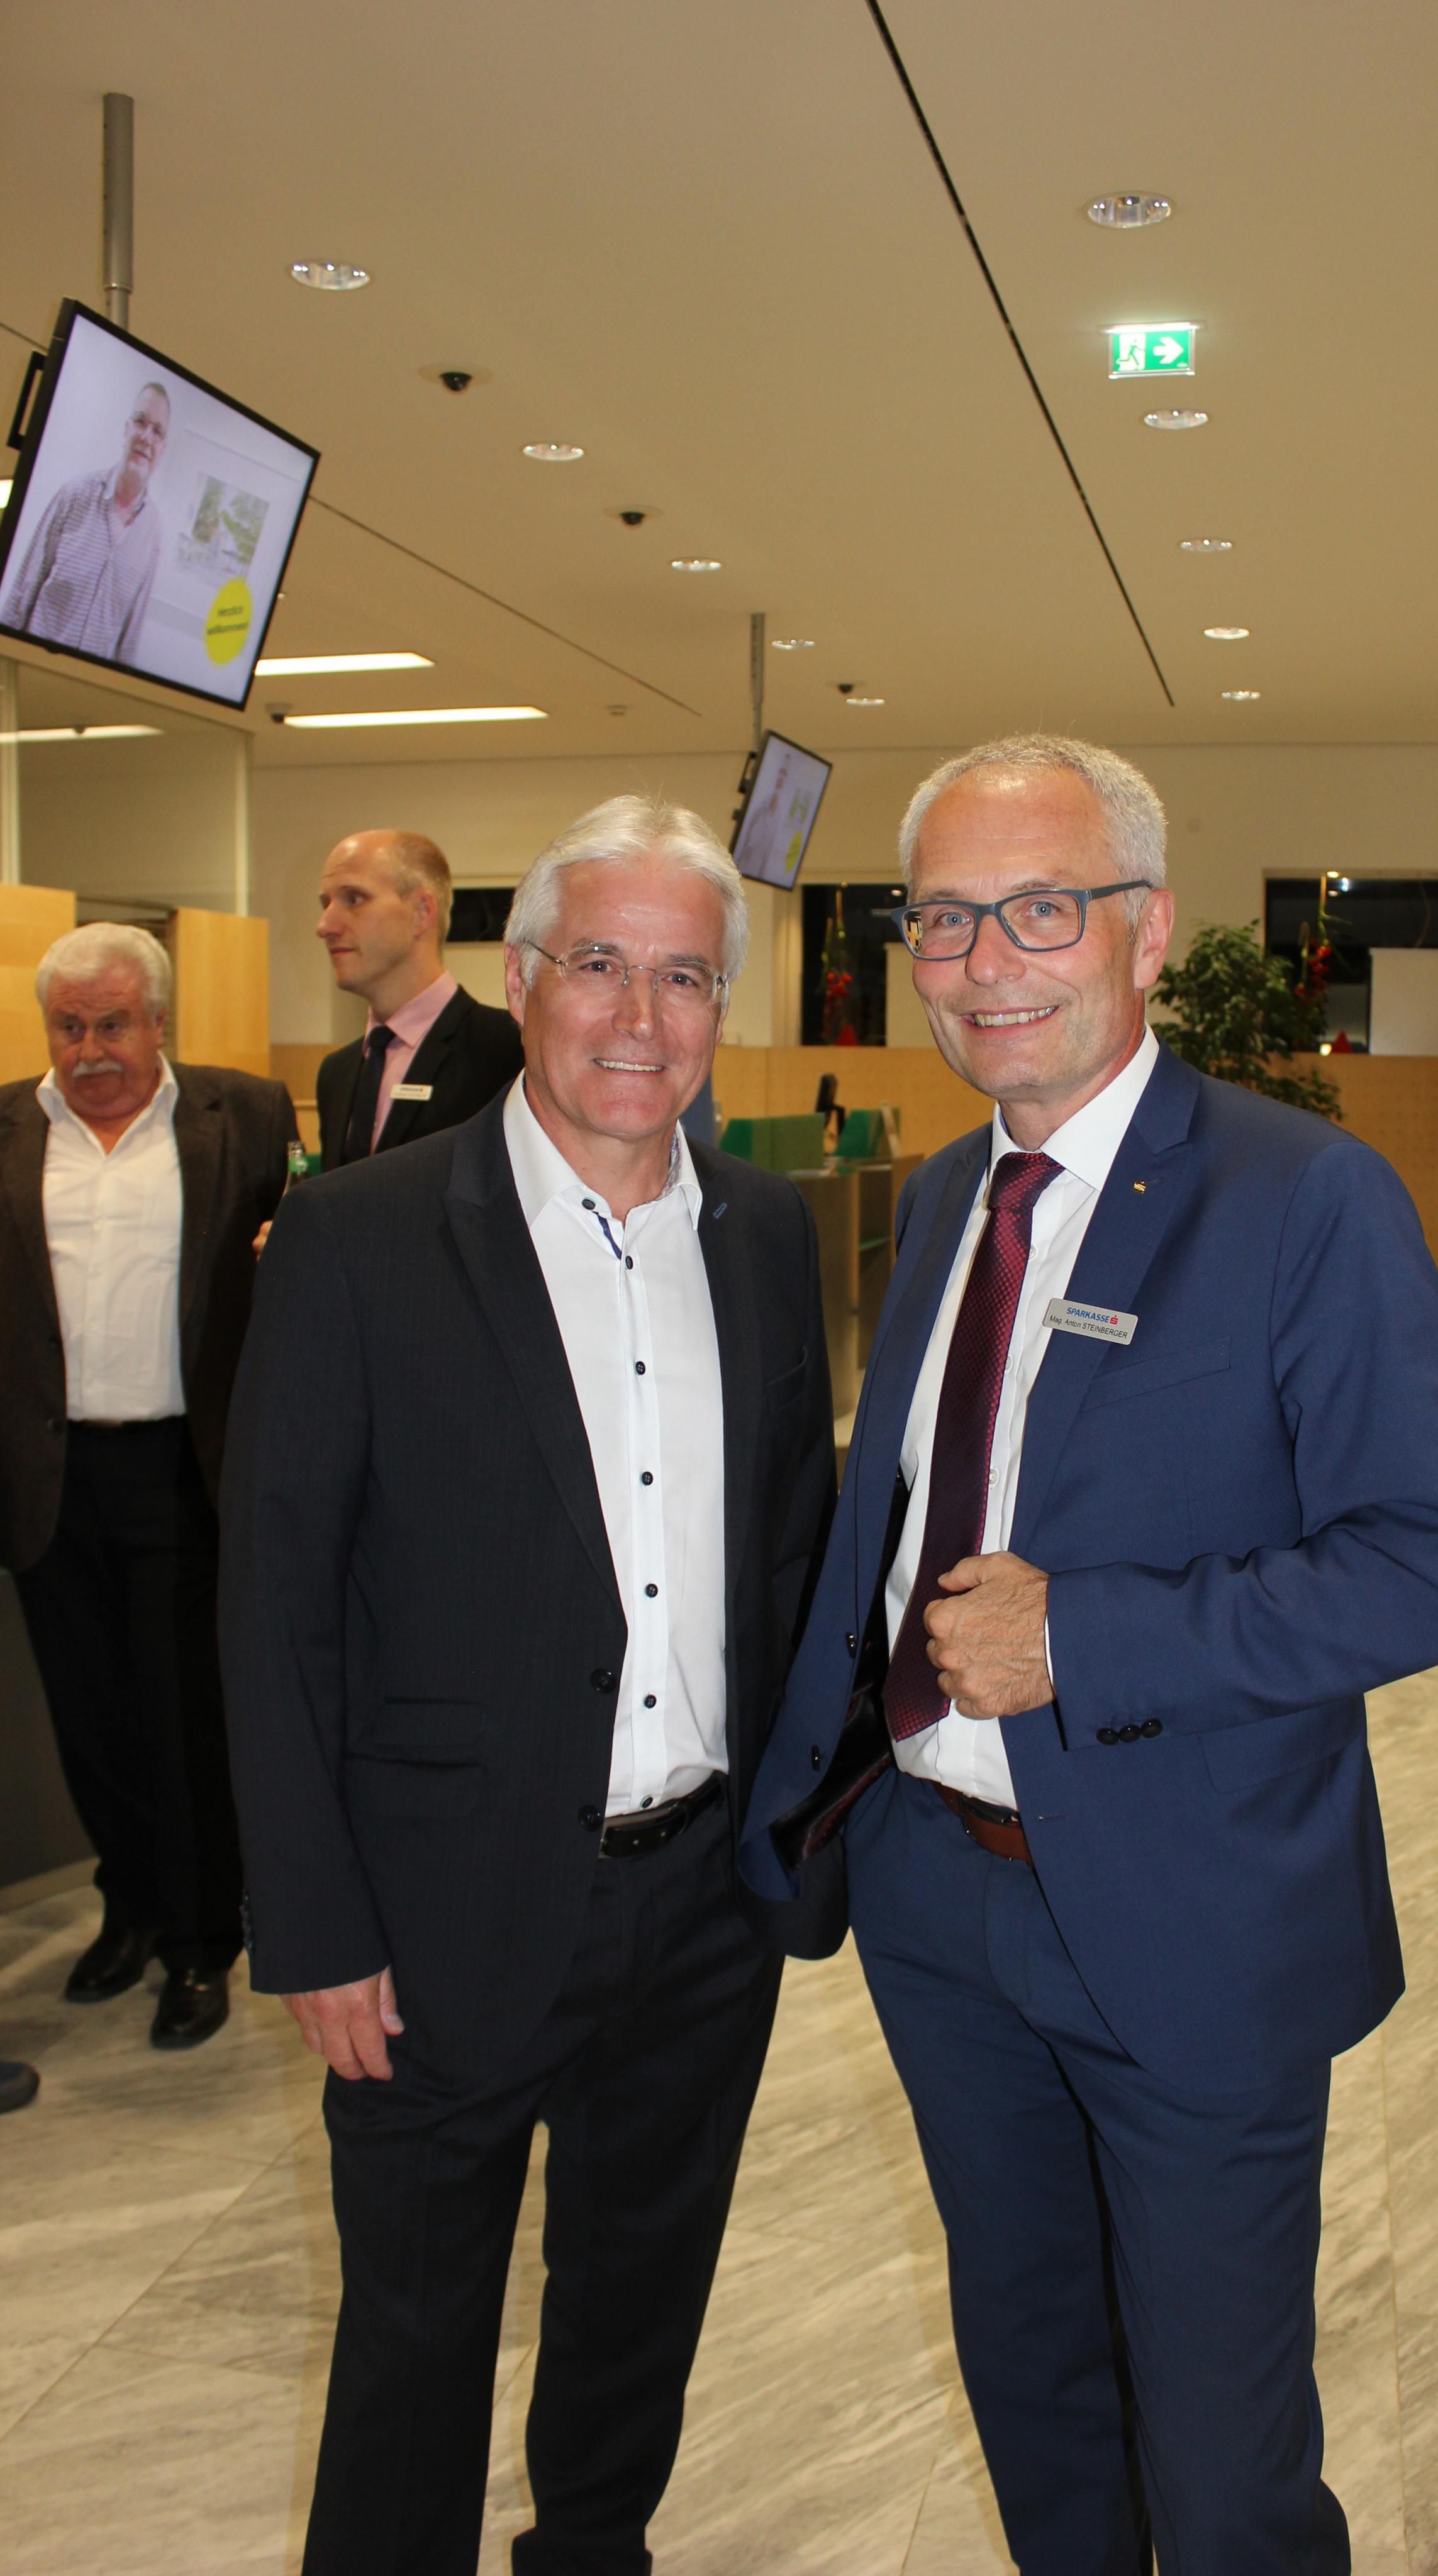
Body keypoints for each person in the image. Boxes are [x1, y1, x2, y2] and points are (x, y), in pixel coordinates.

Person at [741, 735, 1438, 2575]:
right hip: (937, 1897)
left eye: (1042, 909)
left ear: (1147, 930)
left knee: (1225, 2472)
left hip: (1190, 1920)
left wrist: (1085, 1636)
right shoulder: (948, 1195)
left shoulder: (1303, 1198)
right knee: (1037, 2394)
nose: (985, 960)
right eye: (943, 918)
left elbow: (1431, 1566)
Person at [220, 796, 833, 2575]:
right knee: (412, 2354)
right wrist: (315, 1926)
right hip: (433, 1919)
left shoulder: (764, 1234)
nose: (641, 1018)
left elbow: (788, 1554)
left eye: (685, 978)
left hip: (699, 1909)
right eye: (600, 966)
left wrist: (803, 1839)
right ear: (520, 975)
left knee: (639, 2303)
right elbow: (274, 1602)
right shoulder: (359, 1237)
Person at [0, 923, 298, 2049]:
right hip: (51, 1472)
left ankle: (200, 1942)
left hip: (185, 1468)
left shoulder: (243, 1115)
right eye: (69, 1027)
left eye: (112, 1025)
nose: (89, 1051)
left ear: (159, 1021)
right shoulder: (8, 1127)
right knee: (90, 1717)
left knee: (186, 1720)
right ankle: (126, 1909)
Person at [315, 829, 523, 1167]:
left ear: (422, 912)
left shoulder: (511, 1051)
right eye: (326, 904)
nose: (325, 925)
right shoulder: (336, 1074)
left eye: (353, 899)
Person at [1, 380, 170, 662]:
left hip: (82, 686)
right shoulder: (74, 495)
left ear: (163, 448)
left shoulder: (152, 532)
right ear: (126, 428)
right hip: (30, 668)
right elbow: (23, 589)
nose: (146, 437)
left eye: (157, 431)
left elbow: (129, 643)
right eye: (140, 422)